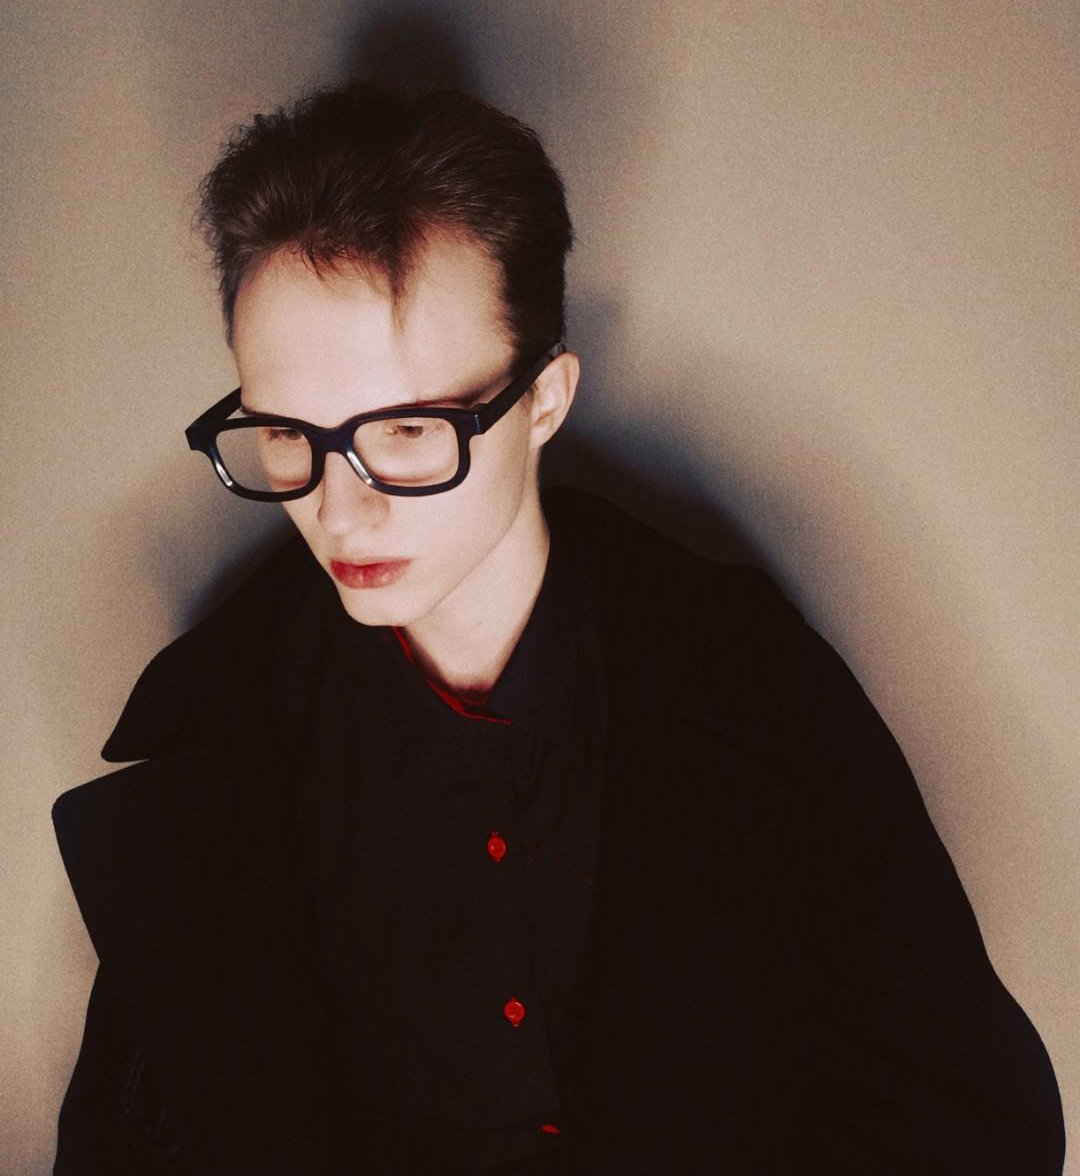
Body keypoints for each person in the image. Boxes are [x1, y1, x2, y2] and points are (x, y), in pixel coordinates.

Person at [53, 81, 1065, 1176]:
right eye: (287, 433)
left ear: (544, 400)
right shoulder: (219, 750)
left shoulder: (758, 694)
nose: (341, 509)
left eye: (409, 429)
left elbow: (971, 1124)